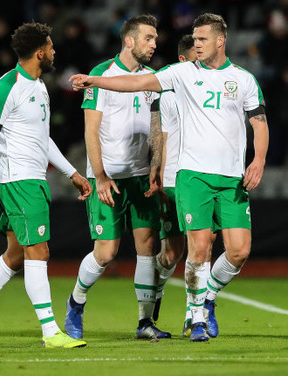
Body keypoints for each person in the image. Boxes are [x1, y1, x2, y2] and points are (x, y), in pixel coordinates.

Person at [70, 13, 269, 342]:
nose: (196, 44)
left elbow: (257, 123)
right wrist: (96, 82)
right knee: (190, 249)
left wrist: (258, 160)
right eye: (193, 40)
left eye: (202, 39)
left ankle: (193, 304)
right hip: (184, 177)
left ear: (220, 40)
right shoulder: (181, 74)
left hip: (223, 177)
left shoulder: (243, 79)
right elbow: (133, 88)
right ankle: (195, 318)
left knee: (236, 251)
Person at [0, 22, 91, 349]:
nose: (54, 52)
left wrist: (72, 173)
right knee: (39, 251)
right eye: (51, 47)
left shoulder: (38, 86)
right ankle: (51, 331)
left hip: (30, 177)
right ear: (39, 52)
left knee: (14, 256)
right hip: (18, 180)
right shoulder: (6, 87)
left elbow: (42, 139)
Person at [64, 14, 170, 341]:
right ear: (129, 41)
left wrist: (156, 167)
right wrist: (99, 176)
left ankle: (144, 322)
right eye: (149, 38)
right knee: (106, 253)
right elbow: (90, 130)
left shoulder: (153, 78)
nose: (154, 44)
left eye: (155, 39)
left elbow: (157, 127)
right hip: (108, 177)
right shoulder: (100, 75)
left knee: (147, 246)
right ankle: (76, 301)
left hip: (141, 177)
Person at [152, 34, 199, 335]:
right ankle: (155, 288)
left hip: (201, 179)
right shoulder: (168, 95)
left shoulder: (214, 88)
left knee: (200, 249)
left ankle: (193, 317)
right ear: (182, 60)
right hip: (172, 182)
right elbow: (162, 137)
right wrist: (156, 172)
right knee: (171, 255)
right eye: (196, 56)